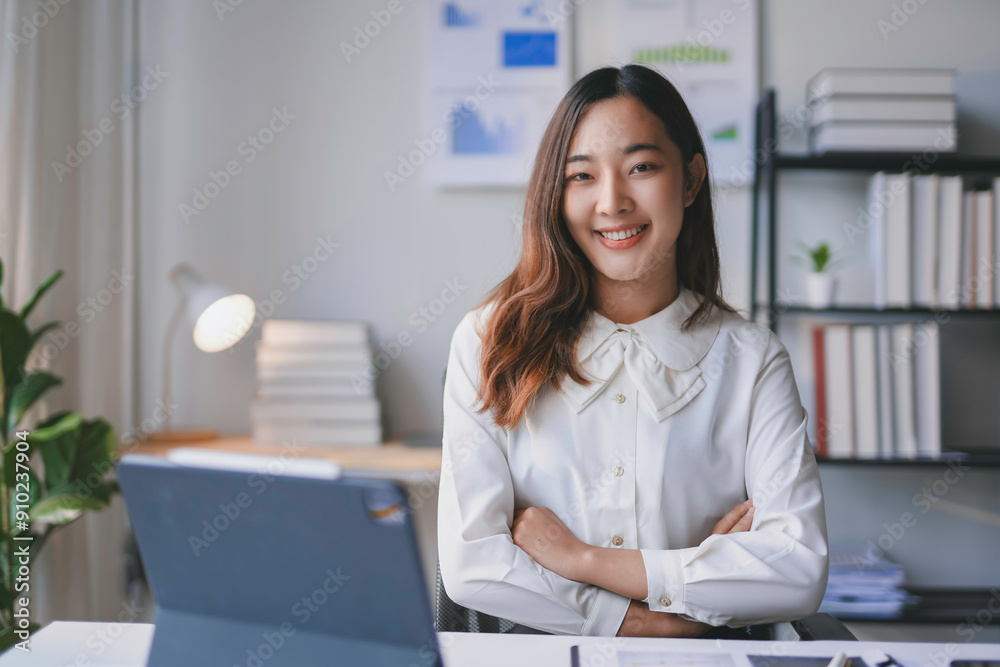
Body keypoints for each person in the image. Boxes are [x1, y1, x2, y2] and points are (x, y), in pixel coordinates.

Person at [437, 63, 828, 638]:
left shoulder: (750, 359)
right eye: (581, 176)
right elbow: (474, 565)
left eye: (641, 167)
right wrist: (658, 620)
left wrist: (580, 560)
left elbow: (797, 569)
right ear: (556, 193)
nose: (612, 201)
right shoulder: (490, 340)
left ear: (691, 180)